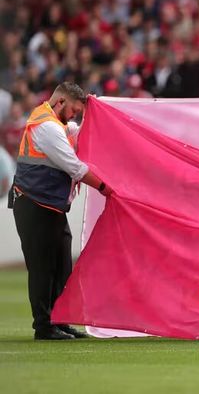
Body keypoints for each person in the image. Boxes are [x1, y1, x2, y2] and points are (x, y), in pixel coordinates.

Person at [9, 83, 113, 340]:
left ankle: (60, 320)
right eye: (75, 110)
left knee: (61, 266)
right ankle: (44, 326)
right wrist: (104, 186)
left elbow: (80, 131)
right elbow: (74, 167)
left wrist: (100, 110)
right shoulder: (46, 128)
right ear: (60, 103)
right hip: (35, 204)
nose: (76, 116)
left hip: (49, 205)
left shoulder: (58, 123)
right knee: (44, 268)